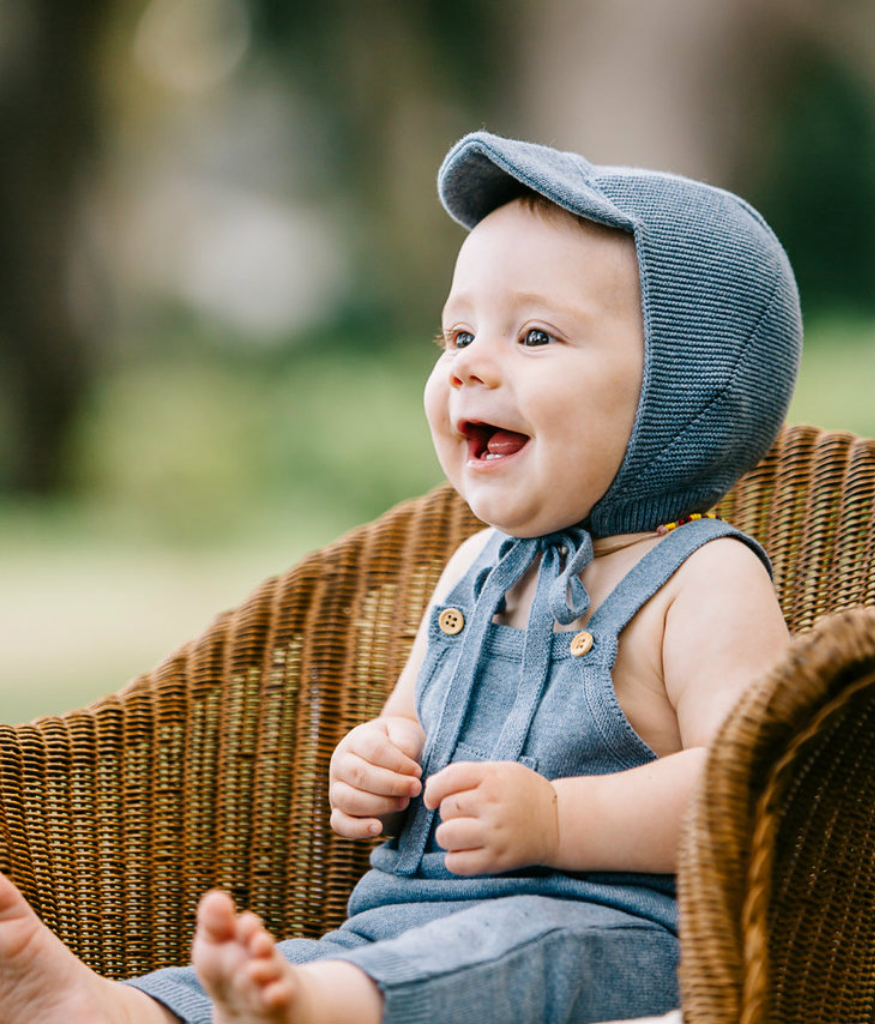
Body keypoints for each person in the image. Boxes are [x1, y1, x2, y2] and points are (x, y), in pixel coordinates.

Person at [0, 130, 801, 1024]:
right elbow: (409, 729)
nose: (467, 363)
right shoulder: (476, 568)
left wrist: (556, 823)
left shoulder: (703, 580)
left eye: (534, 335)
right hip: (396, 929)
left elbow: (750, 790)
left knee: (495, 953)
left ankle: (307, 1010)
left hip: (613, 940)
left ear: (684, 389)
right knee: (316, 963)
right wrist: (370, 764)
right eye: (457, 333)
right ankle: (115, 1012)